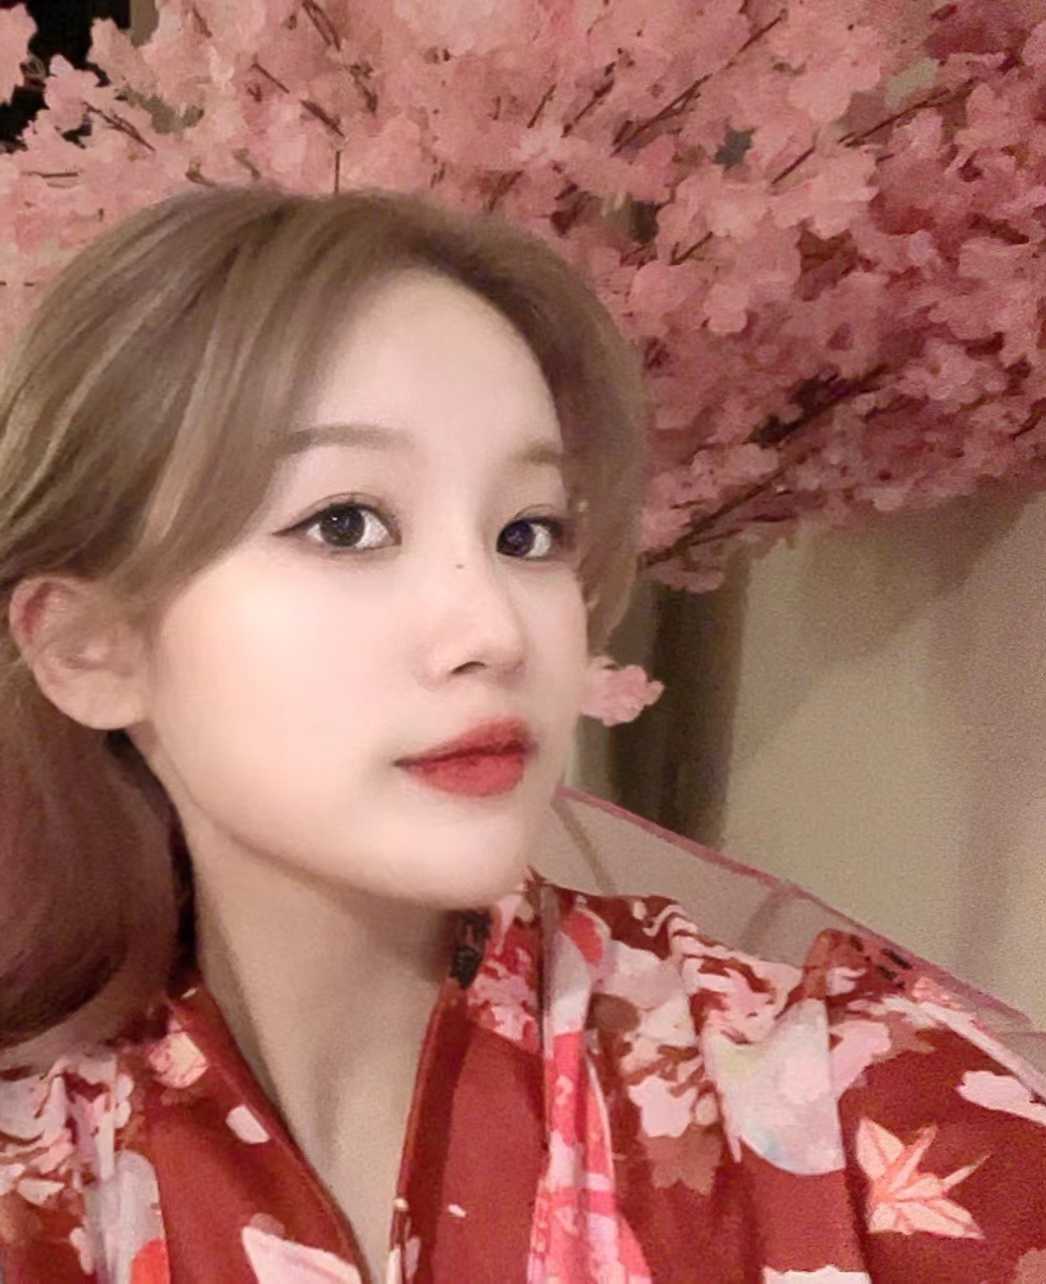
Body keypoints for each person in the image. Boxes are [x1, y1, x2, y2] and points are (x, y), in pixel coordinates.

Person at [0, 184, 1043, 1284]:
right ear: (89, 649)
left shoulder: (863, 1106)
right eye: (346, 523)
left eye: (527, 533)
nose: (496, 632)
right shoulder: (39, 1187)